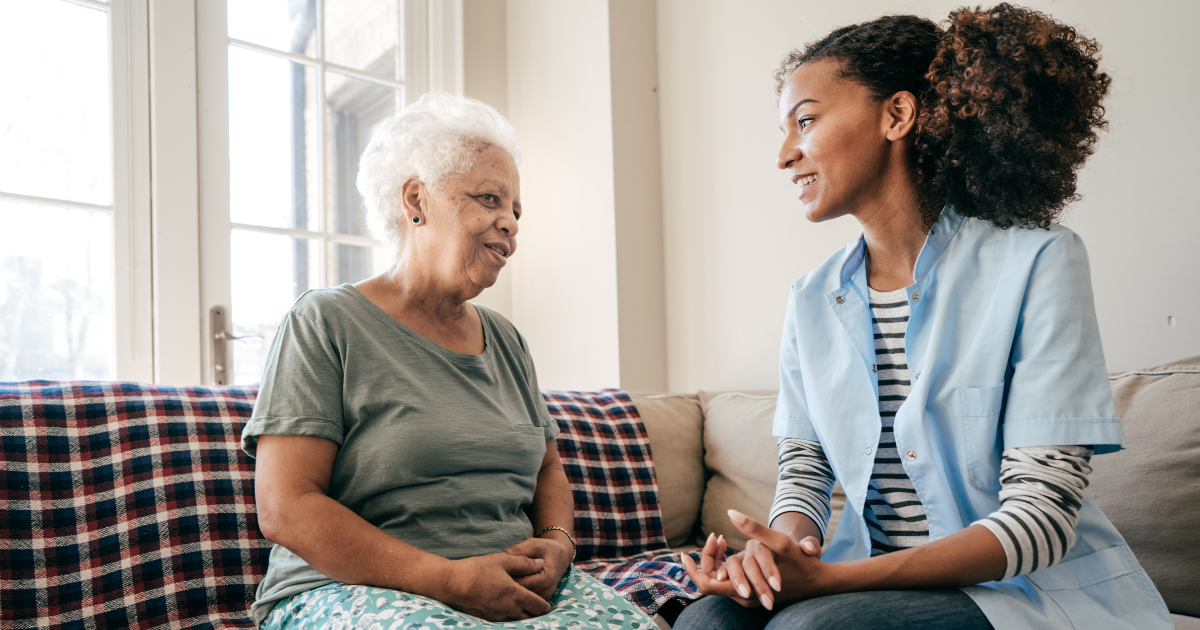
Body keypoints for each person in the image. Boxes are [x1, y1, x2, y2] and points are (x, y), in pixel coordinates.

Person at [675, 5, 1173, 630]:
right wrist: (780, 556)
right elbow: (804, 471)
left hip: (1018, 592)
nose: (784, 155)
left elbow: (1042, 519)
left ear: (897, 115)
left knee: (811, 628)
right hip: (862, 585)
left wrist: (830, 582)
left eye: (805, 121)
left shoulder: (1039, 260)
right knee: (708, 621)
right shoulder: (811, 298)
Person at [241, 92, 655, 630]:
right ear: (416, 199)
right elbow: (286, 506)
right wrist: (452, 580)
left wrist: (557, 546)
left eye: (515, 210)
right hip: (354, 589)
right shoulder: (326, 322)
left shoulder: (507, 340)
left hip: (511, 586)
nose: (510, 222)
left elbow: (548, 469)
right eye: (489, 199)